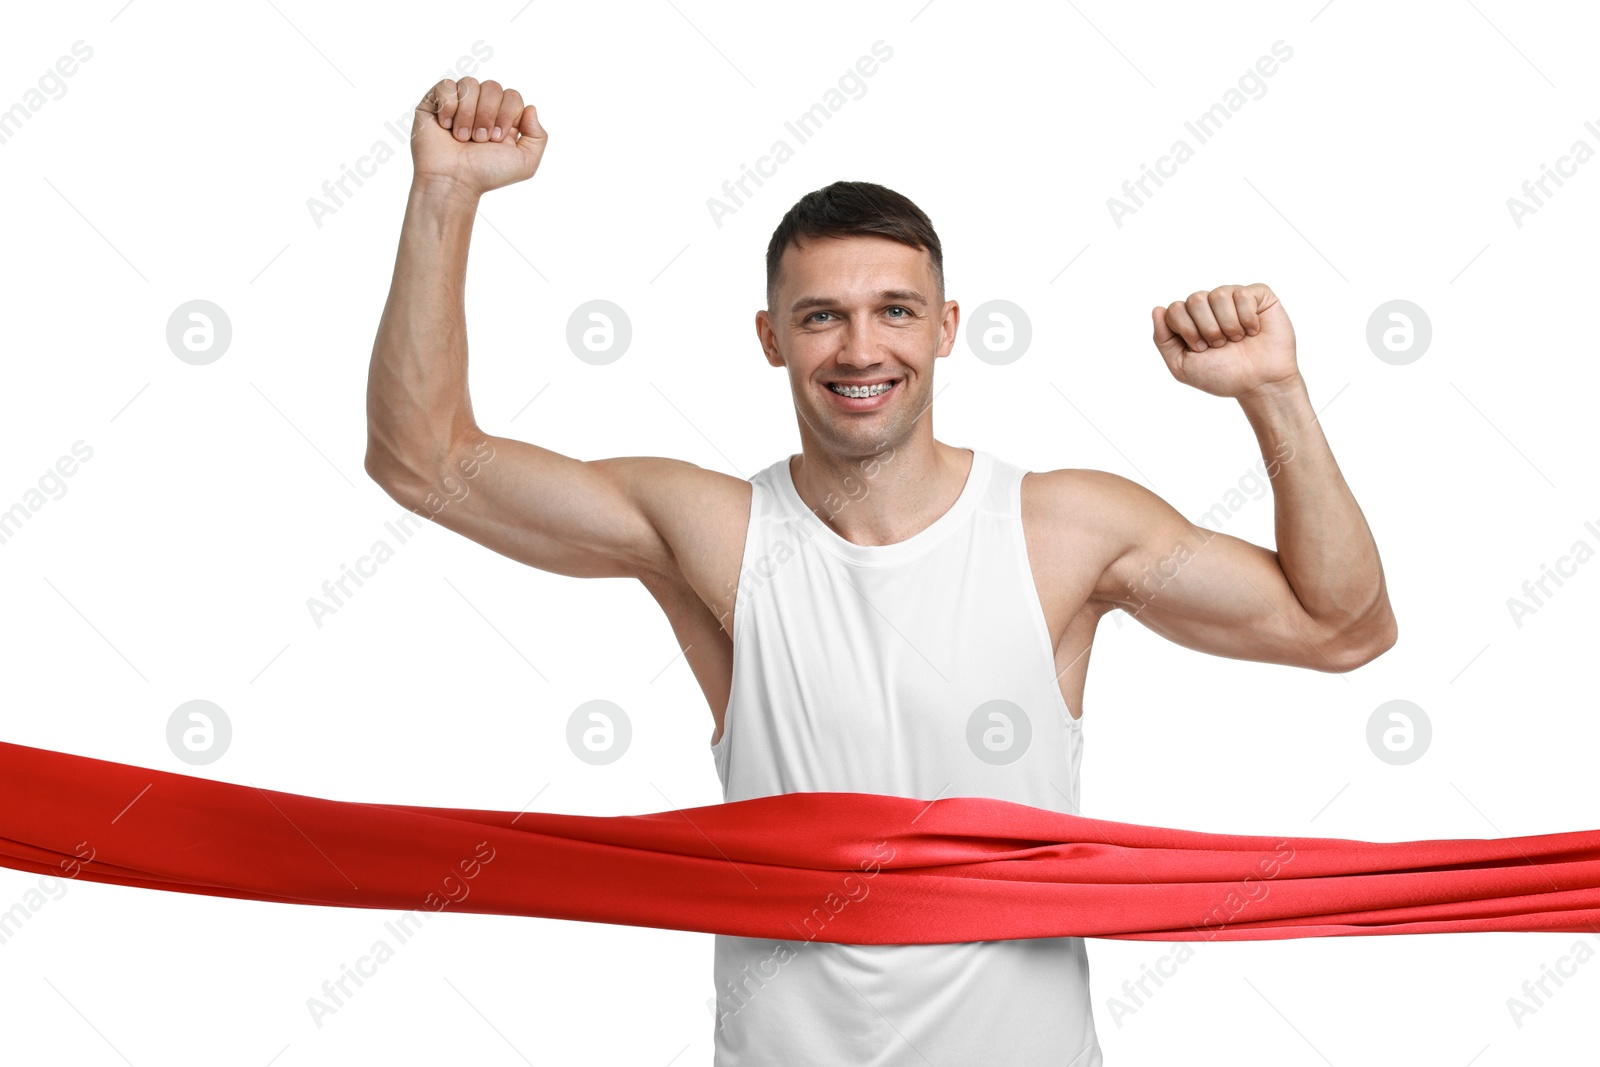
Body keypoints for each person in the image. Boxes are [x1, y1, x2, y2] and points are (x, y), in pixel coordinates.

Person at [365, 77, 1399, 1067]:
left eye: (896, 310)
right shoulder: (713, 531)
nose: (861, 347)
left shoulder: (1064, 529)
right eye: (821, 315)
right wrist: (445, 193)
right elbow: (424, 461)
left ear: (946, 329)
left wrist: (1274, 393)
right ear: (772, 338)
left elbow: (1340, 627)